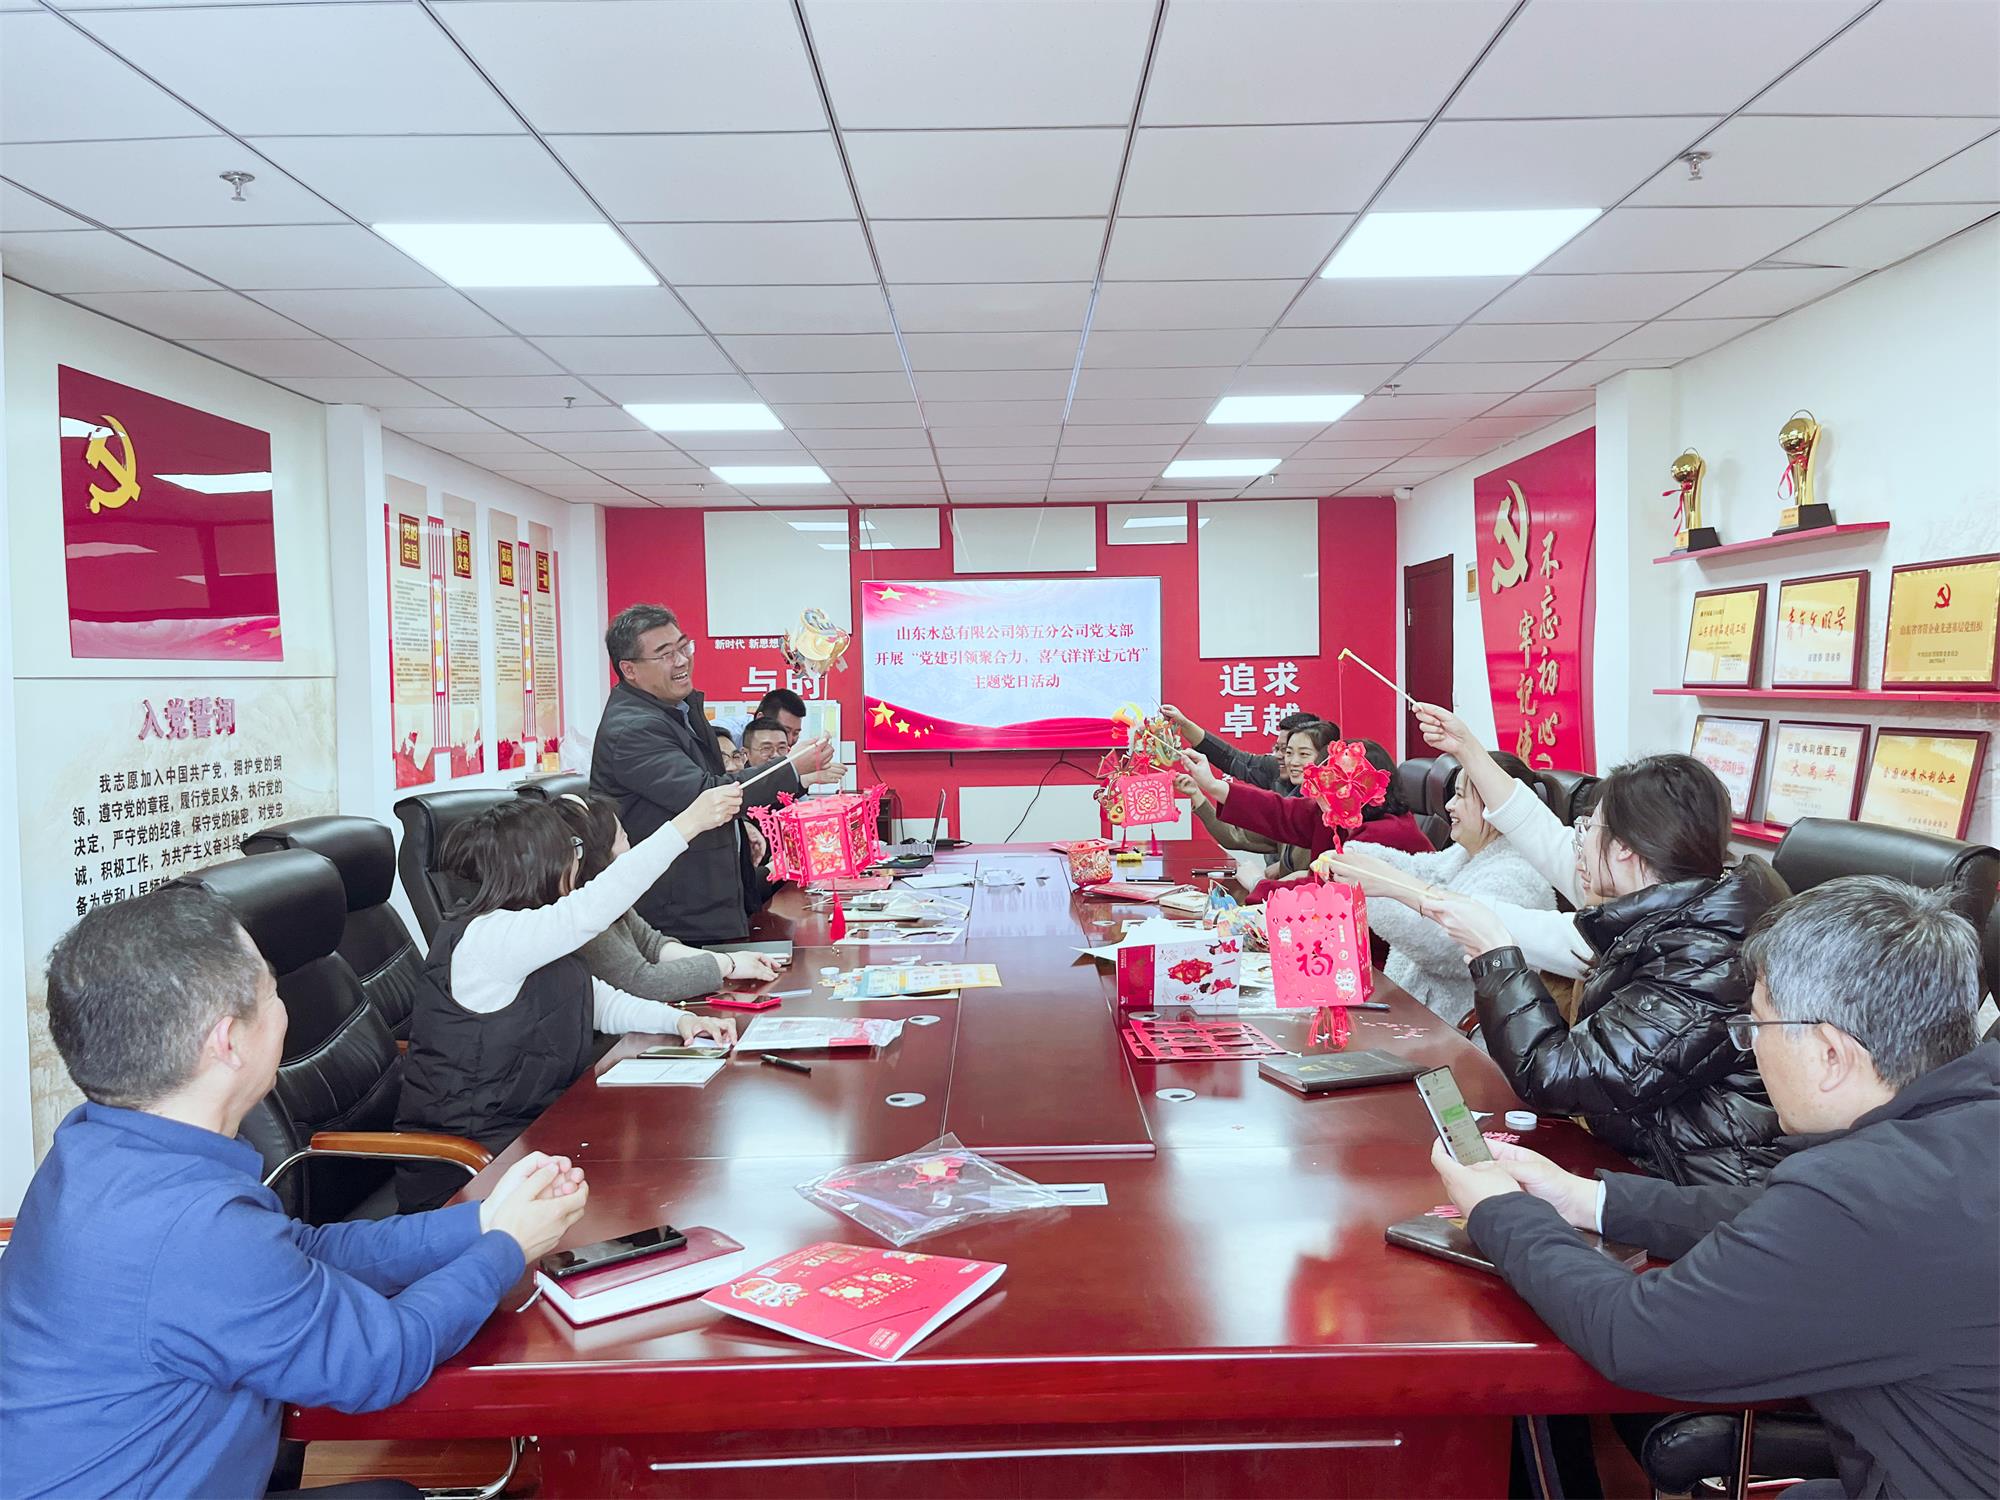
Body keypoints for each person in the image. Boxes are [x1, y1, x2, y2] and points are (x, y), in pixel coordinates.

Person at [0, 886, 590, 1500]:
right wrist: (505, 1250)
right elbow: (380, 1358)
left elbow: (297, 1253)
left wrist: (481, 1222)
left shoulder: (98, 1146)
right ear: (228, 1041)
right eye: (271, 990)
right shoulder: (190, 1227)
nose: (283, 1007)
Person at [1431, 877, 1999, 1500]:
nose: (1751, 1051)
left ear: (1831, 1056)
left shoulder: (1865, 1196)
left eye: (1758, 1026)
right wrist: (1584, 1199)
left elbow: (1637, 1337)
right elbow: (1769, 1212)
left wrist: (1500, 1211)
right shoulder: (1962, 1127)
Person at [1415, 702, 1788, 1186]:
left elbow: (1554, 1074)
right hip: (1641, 1159)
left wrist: (1496, 960)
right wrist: (1467, 747)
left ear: (1626, 847)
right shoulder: (1685, 906)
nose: (1578, 844)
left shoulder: (1706, 958)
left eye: (1588, 828)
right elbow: (1542, 836)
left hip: (1695, 1192)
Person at [395, 789, 742, 1211]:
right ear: (539, 862)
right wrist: (687, 825)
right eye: (572, 850)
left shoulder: (530, 933)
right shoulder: (489, 939)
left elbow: (596, 1001)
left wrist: (679, 1021)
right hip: (471, 1169)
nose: (578, 862)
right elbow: (588, 911)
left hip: (533, 1136)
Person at [591, 604, 841, 943]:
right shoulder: (633, 729)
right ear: (629, 669)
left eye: (684, 647)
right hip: (676, 912)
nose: (681, 661)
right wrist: (791, 767)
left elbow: (716, 785)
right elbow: (707, 795)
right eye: (665, 654)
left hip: (707, 896)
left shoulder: (677, 709)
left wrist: (743, 824)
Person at [1309, 751, 1558, 1032]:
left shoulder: (1517, 876)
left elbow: (1443, 943)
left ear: (1494, 805)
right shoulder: (1465, 854)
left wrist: (1368, 890)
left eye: (1460, 796)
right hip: (1412, 1014)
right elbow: (1418, 869)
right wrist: (1358, 858)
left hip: (1456, 1035)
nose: (1449, 806)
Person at [553, 791, 784, 1004]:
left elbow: (651, 944)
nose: (631, 846)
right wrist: (727, 965)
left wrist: (731, 962)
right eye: (622, 837)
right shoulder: (582, 917)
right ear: (598, 856)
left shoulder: (610, 900)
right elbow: (643, 982)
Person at [1178, 736, 1434, 874]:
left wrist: (1258, 885)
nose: (1318, 796)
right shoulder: (1334, 815)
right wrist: (1212, 785)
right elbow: (1279, 811)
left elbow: (1330, 897)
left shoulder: (1382, 835)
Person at [1162, 703, 1334, 793]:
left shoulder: (1335, 799)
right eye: (1284, 750)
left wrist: (1211, 786)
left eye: (1303, 753)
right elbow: (1229, 757)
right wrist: (1183, 723)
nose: (1290, 760)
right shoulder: (1274, 766)